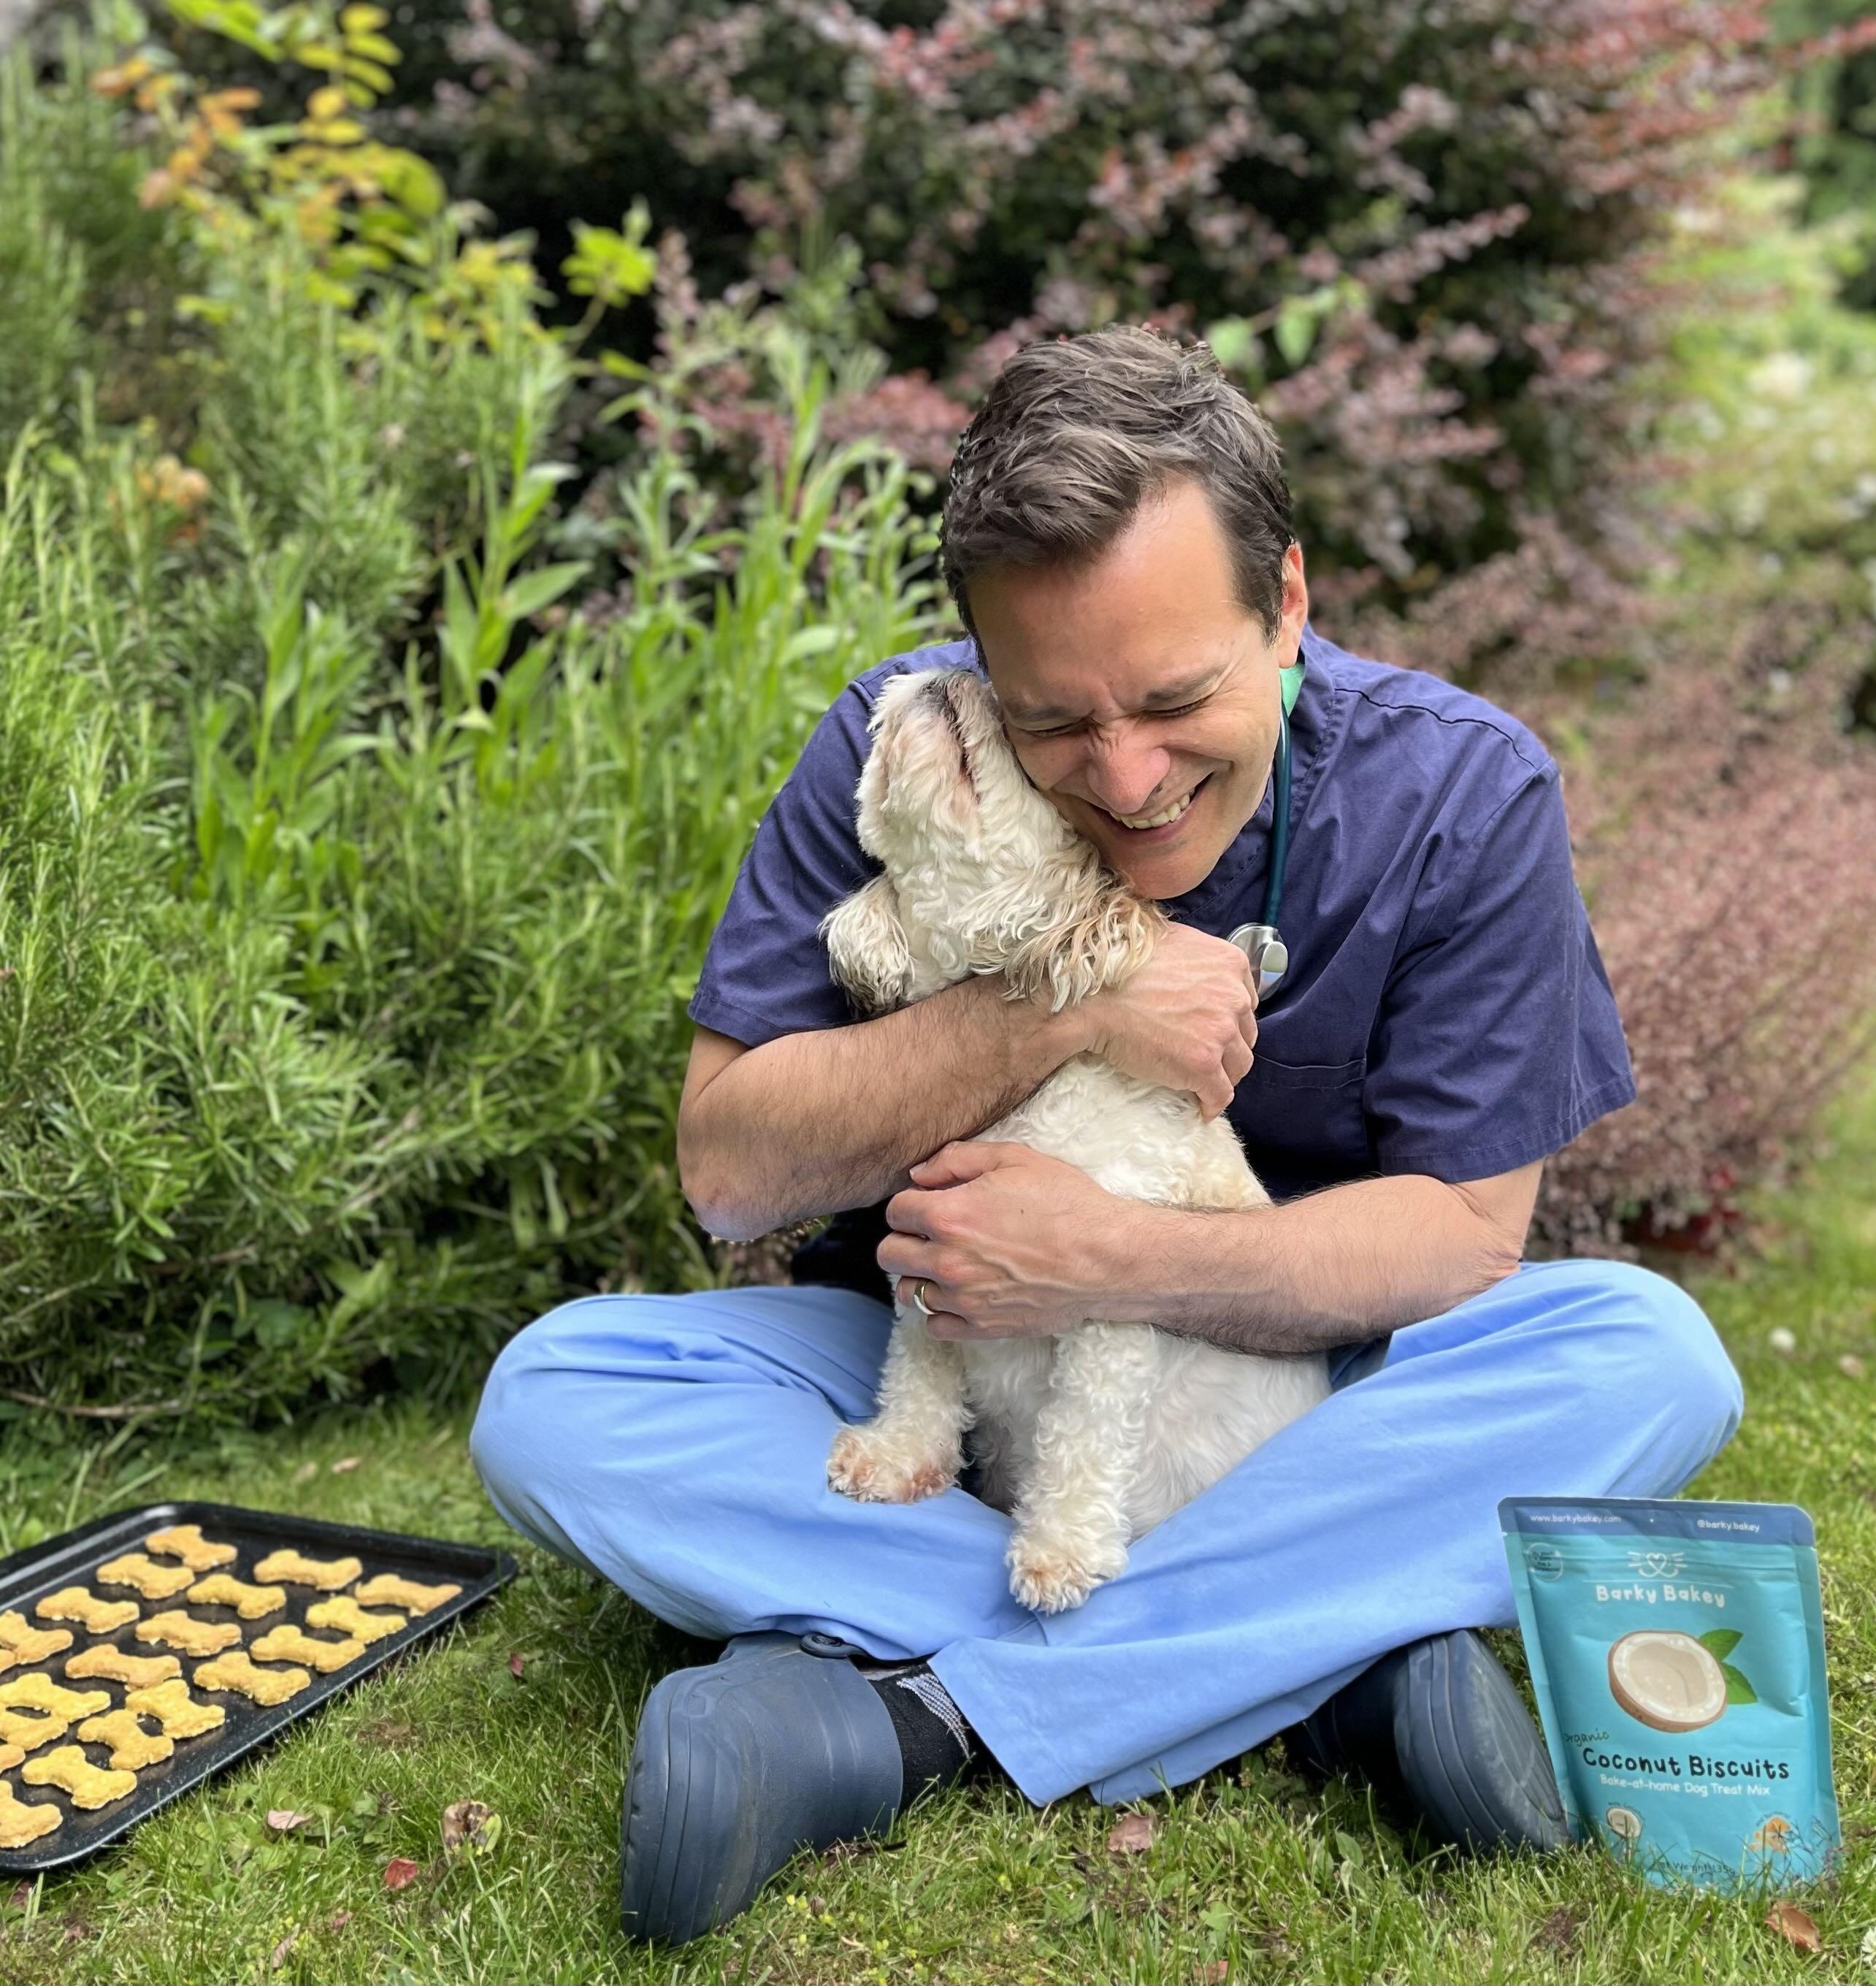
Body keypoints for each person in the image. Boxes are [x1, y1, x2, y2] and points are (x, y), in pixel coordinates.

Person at [470, 326, 1743, 1946]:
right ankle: (1323, 1663)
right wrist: (1062, 1009)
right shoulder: (900, 745)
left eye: (1172, 698)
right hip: (932, 1378)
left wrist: (1112, 1262)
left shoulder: (1462, 794)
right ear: (978, 660)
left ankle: (891, 1718)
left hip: (1303, 1391)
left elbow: (1457, 1239)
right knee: (559, 1395)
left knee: (1644, 1354)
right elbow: (729, 1167)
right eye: (1054, 720)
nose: (1127, 778)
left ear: (1284, 603)